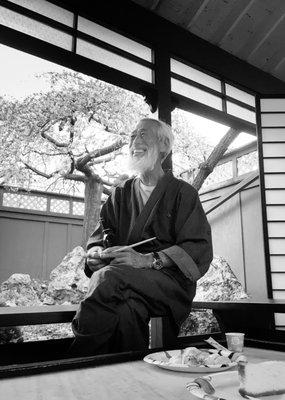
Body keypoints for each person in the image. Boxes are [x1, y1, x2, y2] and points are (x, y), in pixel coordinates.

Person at [70, 118, 213, 356]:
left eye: (143, 135)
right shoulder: (120, 193)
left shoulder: (183, 193)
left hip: (168, 284)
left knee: (107, 276)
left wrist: (148, 260)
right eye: (133, 135)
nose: (135, 141)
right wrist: (95, 254)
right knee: (128, 311)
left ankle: (78, 359)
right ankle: (128, 374)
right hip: (125, 283)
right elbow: (101, 237)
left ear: (164, 147)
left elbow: (199, 248)